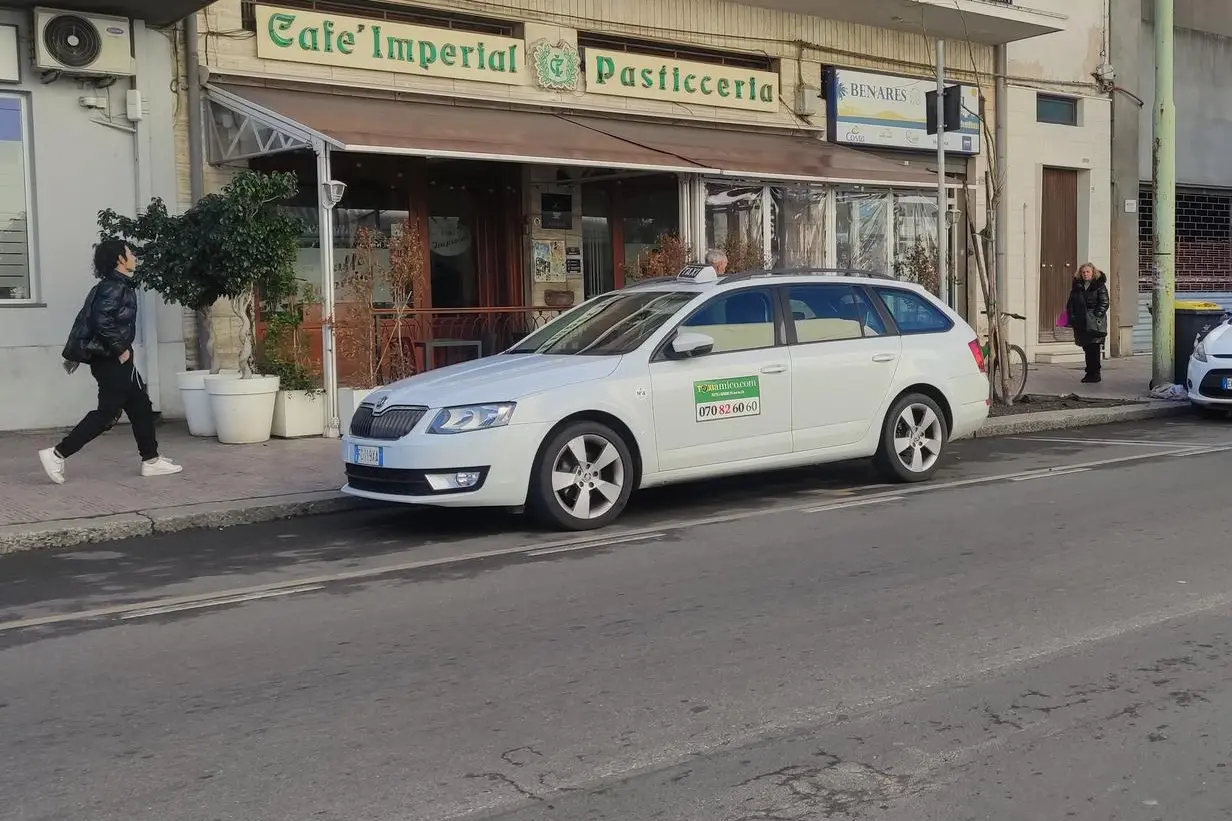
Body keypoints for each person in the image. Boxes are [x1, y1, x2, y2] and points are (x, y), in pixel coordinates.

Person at [39, 239, 182, 484]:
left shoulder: (117, 285)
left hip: (115, 357)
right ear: (120, 259)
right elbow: (100, 321)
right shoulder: (113, 287)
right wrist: (120, 350)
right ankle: (57, 454)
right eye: (130, 253)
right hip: (110, 359)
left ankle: (151, 460)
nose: (134, 256)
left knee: (141, 407)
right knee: (106, 414)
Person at [1065, 262, 1110, 384]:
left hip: (1094, 322)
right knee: (1087, 348)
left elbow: (1104, 302)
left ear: (1093, 272)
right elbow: (1070, 303)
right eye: (1083, 272)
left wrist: (1096, 315)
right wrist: (1072, 317)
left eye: (1088, 272)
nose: (1085, 274)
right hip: (1081, 322)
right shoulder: (1077, 287)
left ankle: (1095, 373)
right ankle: (1089, 373)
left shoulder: (1099, 286)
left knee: (1094, 348)